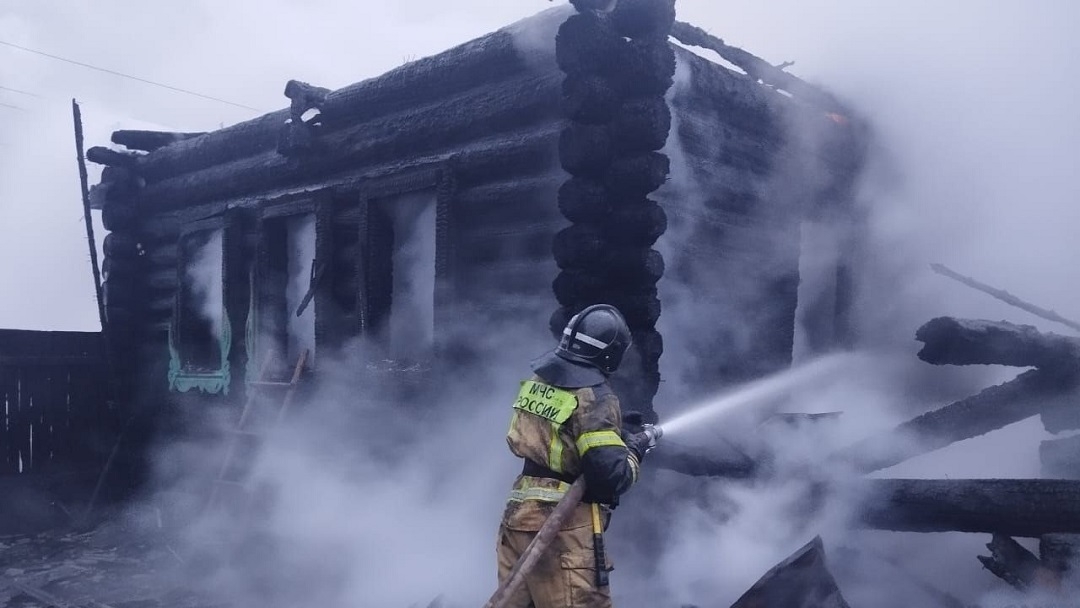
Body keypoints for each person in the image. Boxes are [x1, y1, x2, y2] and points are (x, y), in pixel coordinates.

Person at [496, 304, 654, 608]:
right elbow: (610, 477)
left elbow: (560, 433)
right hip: (562, 529)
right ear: (611, 354)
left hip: (517, 520)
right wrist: (635, 449)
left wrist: (614, 432)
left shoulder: (539, 382)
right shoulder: (595, 396)